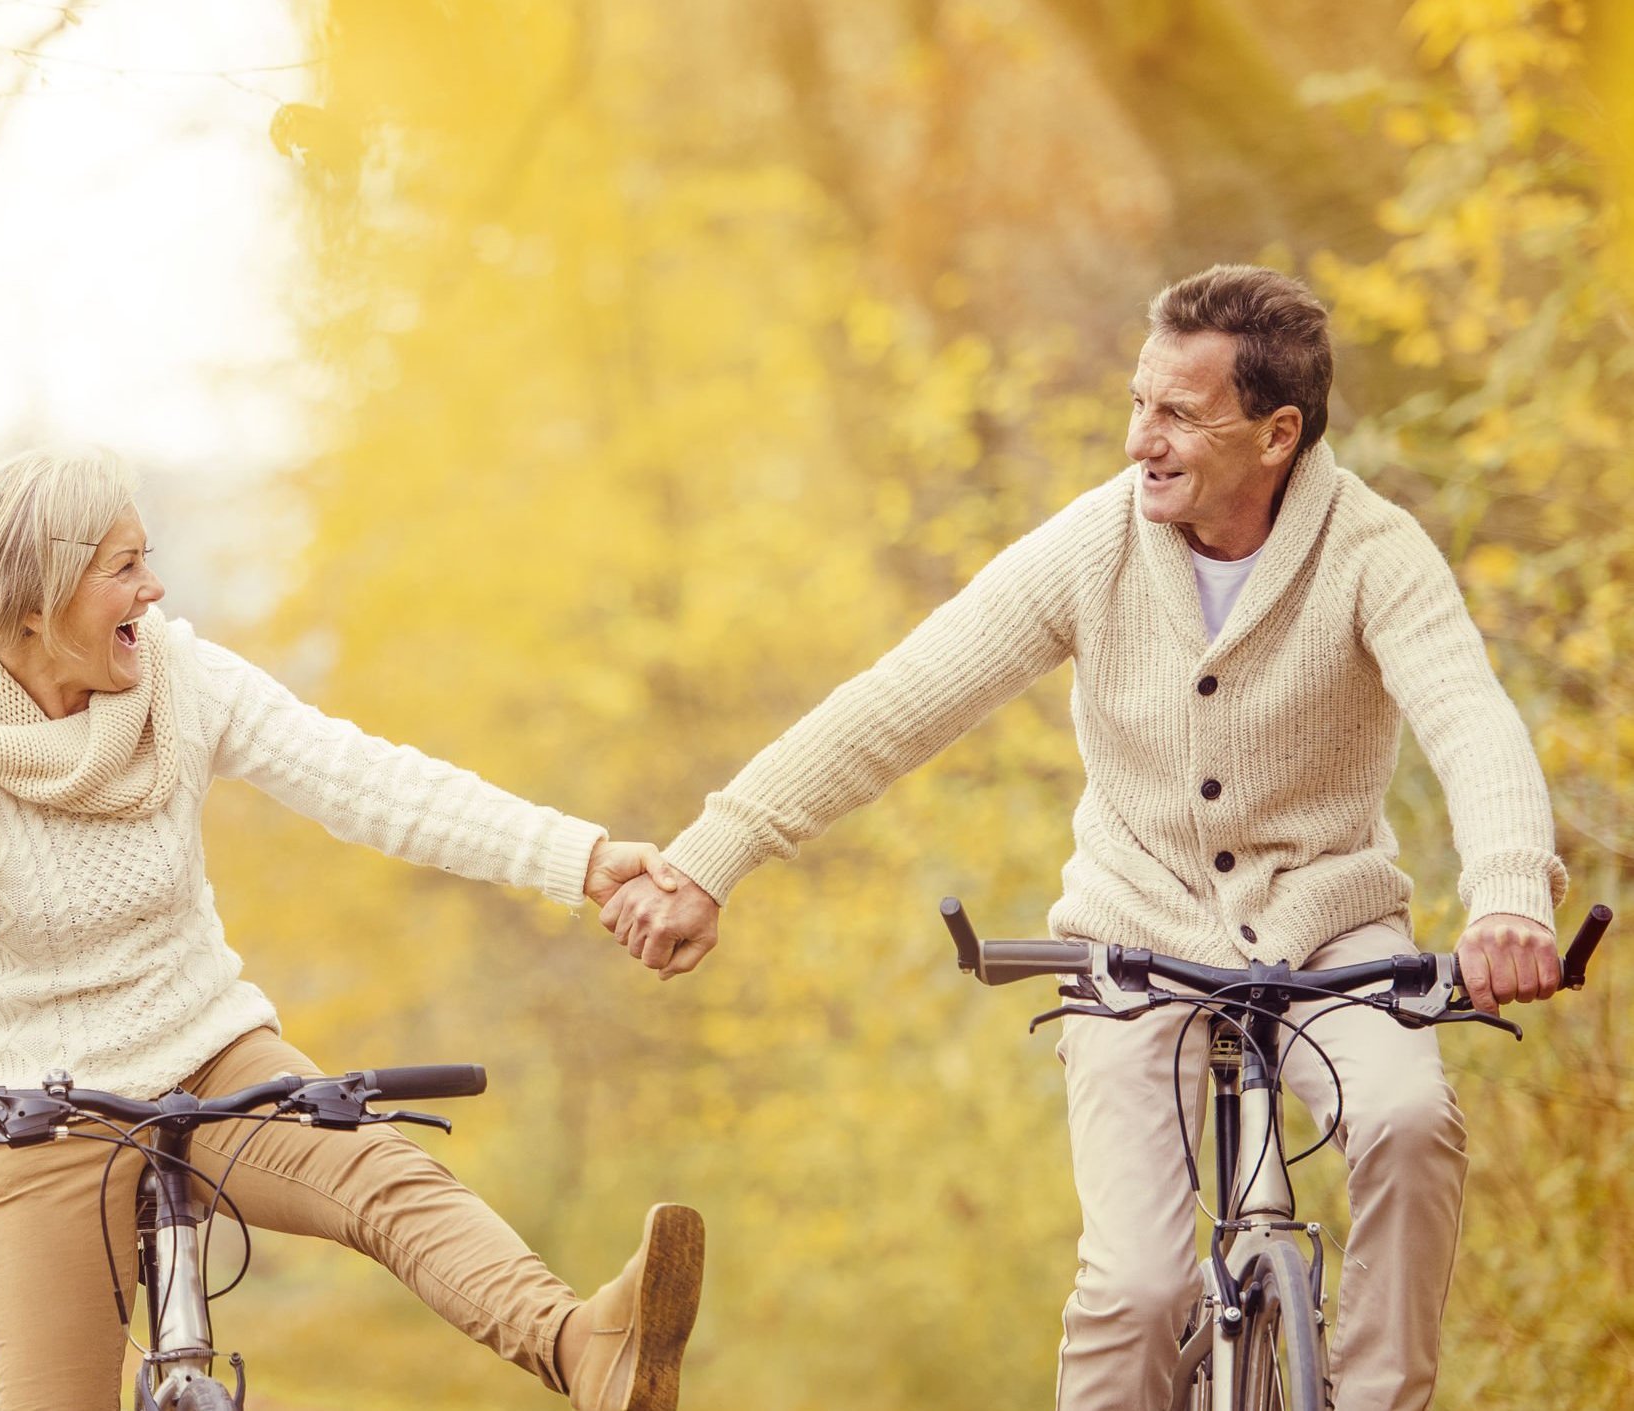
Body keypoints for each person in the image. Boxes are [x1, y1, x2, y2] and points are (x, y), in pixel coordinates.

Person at [600, 265, 1566, 1410]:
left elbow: (1469, 717)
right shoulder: (1091, 547)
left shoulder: (1373, 551)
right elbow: (900, 701)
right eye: (1134, 402)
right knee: (1139, 1289)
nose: (1137, 441)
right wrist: (714, 855)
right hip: (1132, 940)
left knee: (1409, 1123)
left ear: (1276, 433)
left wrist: (1508, 891)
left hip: (1328, 936)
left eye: (1175, 414)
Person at [0, 447, 703, 1411]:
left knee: (383, 1175)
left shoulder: (180, 681)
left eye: (146, 557)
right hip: (40, 1112)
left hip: (211, 1059)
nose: (153, 588)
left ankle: (584, 1347)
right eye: (123, 566)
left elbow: (367, 780)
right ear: (36, 603)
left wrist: (577, 856)